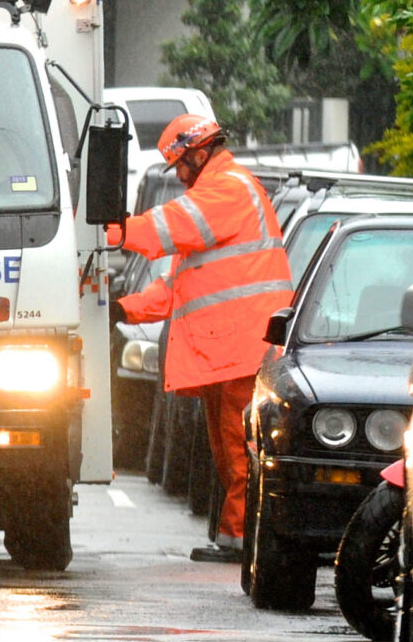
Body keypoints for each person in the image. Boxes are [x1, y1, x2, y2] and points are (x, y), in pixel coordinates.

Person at [108, 114, 292, 563]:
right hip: (229, 349)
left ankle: (242, 542)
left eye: (181, 166)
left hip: (242, 349)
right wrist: (124, 309)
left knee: (239, 448)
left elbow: (165, 229)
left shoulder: (226, 188)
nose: (181, 177)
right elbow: (177, 286)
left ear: (198, 152)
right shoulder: (223, 193)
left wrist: (114, 230)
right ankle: (235, 540)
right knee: (230, 449)